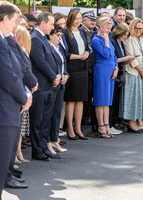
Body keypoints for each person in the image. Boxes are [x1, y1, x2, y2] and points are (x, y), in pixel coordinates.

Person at [0, 1, 32, 194]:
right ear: (5, 19)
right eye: (15, 20)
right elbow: (8, 76)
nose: (17, 25)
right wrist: (25, 96)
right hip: (5, 109)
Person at [30, 12, 61, 160]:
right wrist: (53, 76)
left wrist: (56, 76)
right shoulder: (35, 38)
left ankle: (43, 146)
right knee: (38, 120)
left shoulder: (42, 37)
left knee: (46, 119)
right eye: (50, 24)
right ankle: (37, 150)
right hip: (40, 85)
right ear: (42, 23)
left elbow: (52, 58)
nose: (52, 27)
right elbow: (40, 61)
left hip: (48, 85)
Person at [64, 8, 90, 140]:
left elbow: (87, 48)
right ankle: (70, 127)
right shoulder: (65, 33)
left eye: (80, 18)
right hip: (72, 69)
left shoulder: (83, 32)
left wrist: (86, 53)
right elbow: (64, 53)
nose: (78, 21)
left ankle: (78, 128)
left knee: (80, 100)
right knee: (71, 100)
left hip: (83, 68)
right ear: (70, 18)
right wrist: (78, 56)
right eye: (76, 18)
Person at [121, 18, 143, 133]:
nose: (138, 30)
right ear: (132, 27)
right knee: (132, 98)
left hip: (142, 71)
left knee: (139, 98)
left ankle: (137, 121)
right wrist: (141, 70)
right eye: (136, 28)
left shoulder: (142, 38)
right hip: (133, 72)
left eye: (141, 28)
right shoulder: (129, 39)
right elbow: (130, 56)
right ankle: (131, 123)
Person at [92, 17, 118, 138]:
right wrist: (106, 40)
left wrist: (116, 68)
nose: (109, 30)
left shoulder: (108, 38)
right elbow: (106, 53)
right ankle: (101, 126)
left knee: (107, 101)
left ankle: (107, 125)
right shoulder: (96, 39)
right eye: (107, 28)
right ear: (101, 26)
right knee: (100, 99)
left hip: (111, 69)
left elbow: (113, 55)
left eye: (110, 28)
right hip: (102, 69)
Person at [47, 24, 69, 153]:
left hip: (61, 83)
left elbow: (63, 64)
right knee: (49, 114)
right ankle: (48, 141)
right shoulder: (48, 47)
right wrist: (56, 76)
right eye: (58, 35)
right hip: (53, 83)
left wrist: (66, 74)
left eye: (61, 35)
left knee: (57, 113)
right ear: (50, 35)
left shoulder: (59, 48)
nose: (60, 38)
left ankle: (55, 140)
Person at [110, 23, 135, 134]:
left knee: (116, 100)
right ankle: (110, 122)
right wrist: (124, 59)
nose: (125, 37)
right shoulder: (112, 41)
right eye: (124, 34)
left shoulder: (120, 42)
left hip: (120, 71)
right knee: (112, 99)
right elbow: (113, 58)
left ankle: (115, 121)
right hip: (113, 73)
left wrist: (126, 60)